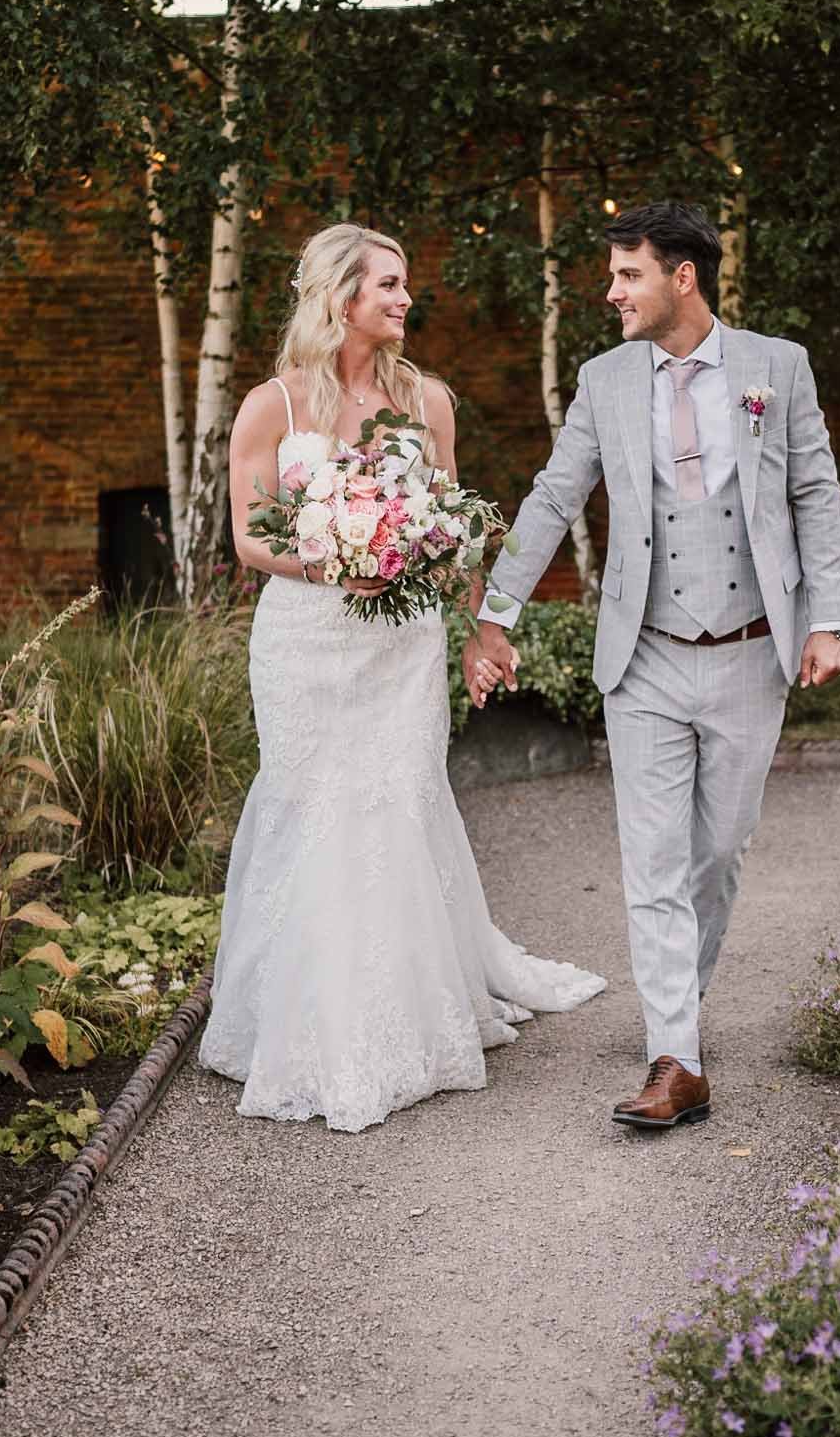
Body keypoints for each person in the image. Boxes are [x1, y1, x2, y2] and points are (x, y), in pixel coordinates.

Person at [196, 222, 606, 1133]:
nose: (405, 298)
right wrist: (337, 559)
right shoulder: (274, 406)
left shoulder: (430, 403)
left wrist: (476, 629)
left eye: (405, 284)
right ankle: (305, 1022)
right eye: (388, 284)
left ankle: (407, 1018)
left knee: (396, 801)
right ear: (342, 297)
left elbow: (455, 532)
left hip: (401, 645)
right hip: (304, 642)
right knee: (312, 803)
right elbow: (251, 536)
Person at [464, 201, 840, 1131]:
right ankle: (674, 1054)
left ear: (683, 276)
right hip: (641, 657)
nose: (612, 292)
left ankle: (679, 1005)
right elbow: (555, 495)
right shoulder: (604, 381)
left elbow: (815, 491)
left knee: (716, 856)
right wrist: (493, 613)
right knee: (652, 863)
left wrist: (829, 619)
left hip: (752, 651)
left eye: (627, 274)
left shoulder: (778, 367)